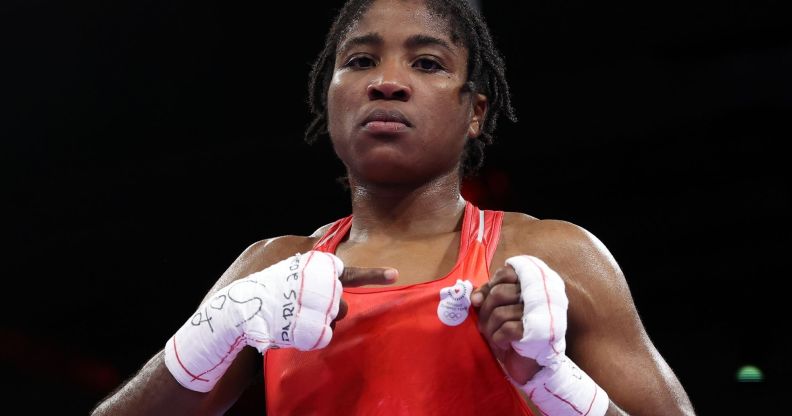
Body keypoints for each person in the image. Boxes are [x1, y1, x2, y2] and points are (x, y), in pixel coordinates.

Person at [92, 0, 695, 414]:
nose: (387, 82)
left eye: (427, 62)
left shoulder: (550, 255)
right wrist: (215, 330)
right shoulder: (271, 271)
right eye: (360, 61)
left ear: (476, 113)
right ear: (327, 97)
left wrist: (555, 385)